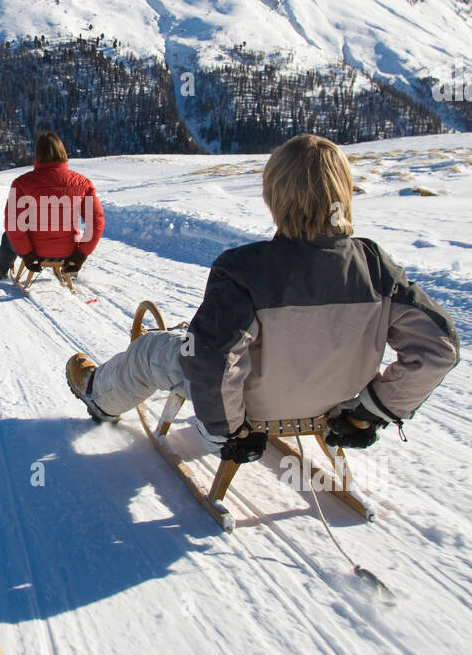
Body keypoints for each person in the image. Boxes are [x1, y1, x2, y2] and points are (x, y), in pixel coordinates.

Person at [67, 134, 459, 460]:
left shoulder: (244, 269)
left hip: (248, 413)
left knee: (152, 350)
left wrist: (228, 433)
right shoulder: (376, 268)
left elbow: (212, 358)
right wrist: (371, 411)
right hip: (331, 406)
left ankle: (98, 395)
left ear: (274, 196)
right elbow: (439, 347)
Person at [0, 131, 105, 281]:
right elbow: (96, 223)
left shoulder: (22, 183)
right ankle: (69, 271)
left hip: (35, 252)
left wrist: (27, 254)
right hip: (69, 252)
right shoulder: (82, 183)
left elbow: (13, 224)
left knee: (7, 237)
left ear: (38, 154)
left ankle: (1, 270)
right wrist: (81, 255)